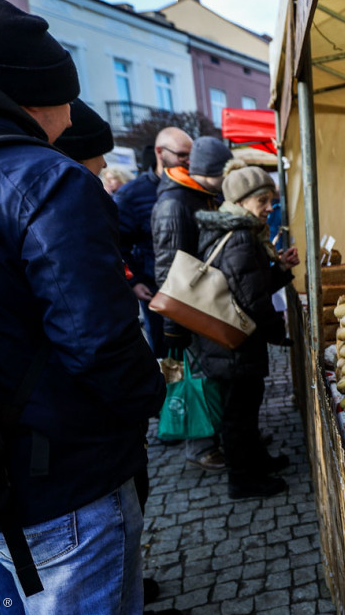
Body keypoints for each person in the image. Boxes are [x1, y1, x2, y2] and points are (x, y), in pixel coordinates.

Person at [0, 0, 165, 615]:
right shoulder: (43, 179)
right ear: (37, 97)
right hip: (58, 493)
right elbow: (100, 344)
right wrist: (144, 407)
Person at [52, 97, 187, 615]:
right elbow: (91, 328)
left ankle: (127, 602)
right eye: (95, 164)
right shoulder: (73, 198)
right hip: (71, 435)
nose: (102, 175)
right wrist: (147, 392)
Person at [191, 162, 298, 498]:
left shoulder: (236, 231)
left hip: (227, 343)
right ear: (239, 202)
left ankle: (257, 462)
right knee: (239, 416)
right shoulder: (240, 237)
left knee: (246, 411)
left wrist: (280, 269)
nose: (269, 209)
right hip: (233, 346)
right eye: (262, 202)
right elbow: (253, 300)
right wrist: (279, 334)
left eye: (270, 201)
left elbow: (251, 284)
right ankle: (243, 480)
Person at [151, 135, 233, 470]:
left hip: (203, 305)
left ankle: (218, 437)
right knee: (194, 380)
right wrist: (174, 329)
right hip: (189, 314)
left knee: (209, 378)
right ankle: (200, 447)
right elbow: (167, 267)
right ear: (211, 171)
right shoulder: (175, 204)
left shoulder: (201, 196)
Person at [115, 128, 193, 358]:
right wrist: (135, 281)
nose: (188, 161)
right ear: (160, 152)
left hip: (194, 288)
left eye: (191, 155)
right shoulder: (131, 194)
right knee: (167, 357)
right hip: (156, 290)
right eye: (182, 155)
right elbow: (118, 244)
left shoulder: (196, 186)